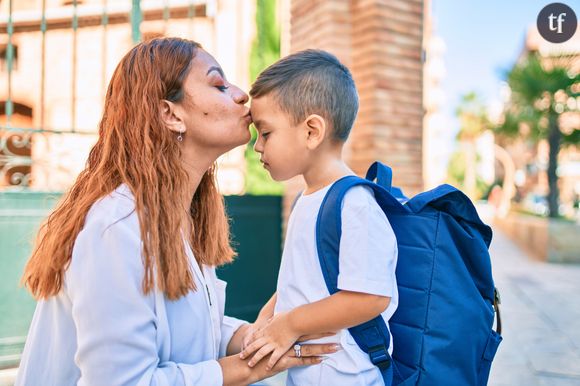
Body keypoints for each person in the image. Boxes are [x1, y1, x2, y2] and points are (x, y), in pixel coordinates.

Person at [15, 38, 338, 386]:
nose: (242, 94)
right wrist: (249, 368)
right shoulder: (116, 227)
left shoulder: (186, 215)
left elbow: (185, 330)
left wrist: (254, 337)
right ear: (170, 114)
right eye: (218, 84)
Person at [240, 49, 399, 385]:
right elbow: (302, 280)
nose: (256, 147)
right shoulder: (306, 198)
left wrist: (290, 324)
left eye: (265, 133)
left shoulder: (354, 203)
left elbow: (371, 297)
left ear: (312, 131)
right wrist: (267, 316)